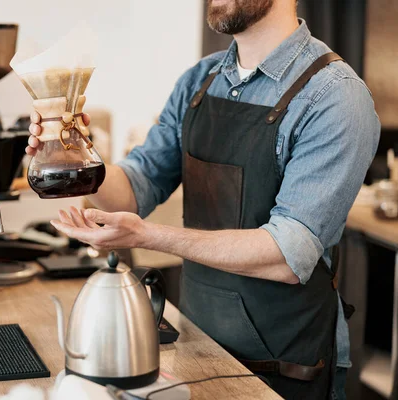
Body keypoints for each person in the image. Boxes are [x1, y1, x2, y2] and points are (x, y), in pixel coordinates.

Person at [26, 0, 380, 398]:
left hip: (284, 373)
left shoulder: (335, 98)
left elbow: (286, 255)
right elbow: (133, 190)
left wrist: (147, 236)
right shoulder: (200, 79)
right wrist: (74, 150)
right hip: (197, 352)